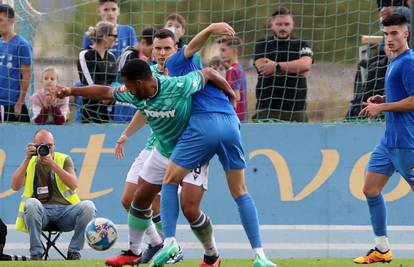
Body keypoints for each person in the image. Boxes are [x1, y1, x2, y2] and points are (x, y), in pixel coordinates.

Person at [56, 58, 236, 266]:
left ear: (140, 83)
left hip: (190, 150)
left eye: (130, 86)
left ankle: (212, 256)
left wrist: (230, 95)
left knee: (190, 209)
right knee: (139, 198)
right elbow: (105, 91)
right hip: (161, 152)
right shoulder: (134, 92)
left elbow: (209, 73)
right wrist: (71, 91)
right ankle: (134, 251)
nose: (128, 91)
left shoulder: (177, 86)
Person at [152, 23, 276, 267]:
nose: (164, 53)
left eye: (168, 48)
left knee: (169, 180)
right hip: (231, 123)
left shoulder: (179, 64)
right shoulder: (200, 71)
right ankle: (260, 256)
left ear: (177, 49)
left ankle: (169, 242)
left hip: (203, 125)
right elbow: (209, 72)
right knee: (240, 191)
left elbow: (193, 47)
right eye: (159, 49)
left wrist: (210, 29)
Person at [353, 13, 414, 264]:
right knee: (370, 189)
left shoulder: (409, 62)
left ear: (405, 34)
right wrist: (383, 100)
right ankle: (382, 248)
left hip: (406, 142)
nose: (389, 39)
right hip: (388, 142)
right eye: (386, 34)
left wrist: (382, 108)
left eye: (394, 34)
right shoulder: (394, 60)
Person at [11, 129, 96, 260]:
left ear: (54, 145)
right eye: (41, 146)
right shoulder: (30, 162)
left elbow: (73, 184)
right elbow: (15, 186)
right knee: (31, 203)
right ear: (34, 146)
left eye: (49, 146)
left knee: (88, 206)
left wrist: (52, 164)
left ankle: (74, 251)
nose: (46, 149)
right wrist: (26, 159)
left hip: (65, 213)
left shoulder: (64, 159)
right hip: (40, 213)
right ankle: (36, 253)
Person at [252, 7, 313, 122]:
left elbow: (305, 65)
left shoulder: (302, 43)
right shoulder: (262, 43)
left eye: (286, 24)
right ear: (272, 24)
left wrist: (276, 67)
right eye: (279, 24)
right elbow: (262, 67)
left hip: (296, 109)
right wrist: (294, 68)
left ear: (292, 25)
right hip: (267, 108)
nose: (283, 27)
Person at [113, 27, 158, 122]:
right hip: (125, 105)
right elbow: (126, 81)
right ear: (143, 42)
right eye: (151, 50)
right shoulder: (129, 55)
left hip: (138, 104)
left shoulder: (146, 58)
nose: (153, 53)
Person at [78, 21, 118, 123]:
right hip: (90, 112)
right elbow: (89, 83)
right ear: (104, 36)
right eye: (114, 36)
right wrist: (105, 95)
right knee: (94, 139)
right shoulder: (85, 55)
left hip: (109, 112)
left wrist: (112, 96)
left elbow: (115, 82)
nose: (116, 39)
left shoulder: (111, 57)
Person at [0, 4, 31, 123]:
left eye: (0, 20)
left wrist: (19, 102)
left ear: (11, 21)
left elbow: (27, 76)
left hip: (11, 105)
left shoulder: (22, 45)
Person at [219, 36, 248, 122]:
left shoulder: (232, 71)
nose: (220, 54)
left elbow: (236, 97)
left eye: (223, 50)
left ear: (234, 51)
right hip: (243, 115)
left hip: (234, 117)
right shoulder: (239, 68)